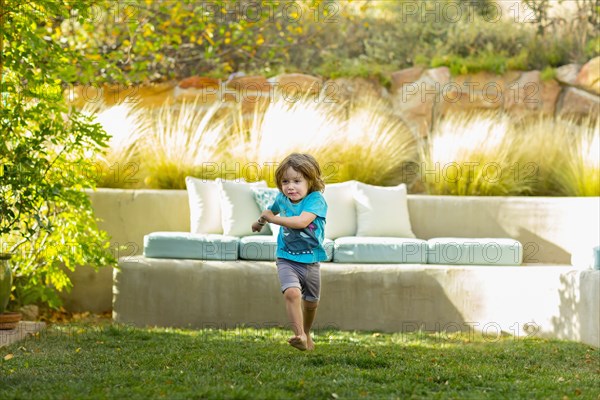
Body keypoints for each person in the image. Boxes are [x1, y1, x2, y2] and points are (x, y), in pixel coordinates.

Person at [251, 153, 328, 351]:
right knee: (292, 293)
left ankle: (307, 332)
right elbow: (269, 212)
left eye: (296, 181)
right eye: (285, 181)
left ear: (310, 181)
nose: (290, 186)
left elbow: (301, 221)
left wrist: (271, 220)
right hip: (286, 257)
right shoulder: (282, 199)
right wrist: (259, 223)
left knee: (311, 302)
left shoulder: (316, 200)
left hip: (311, 260)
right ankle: (299, 335)